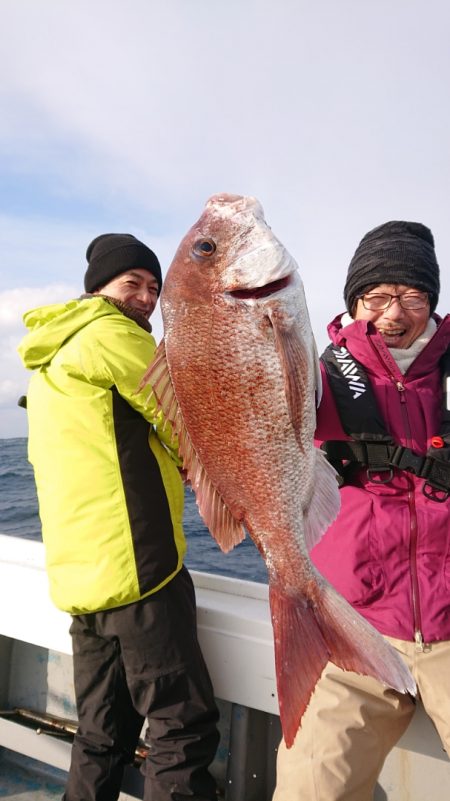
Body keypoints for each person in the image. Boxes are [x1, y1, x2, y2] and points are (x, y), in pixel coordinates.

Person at [18, 233, 219, 801]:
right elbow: (184, 417)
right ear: (99, 288)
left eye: (154, 287)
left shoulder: (53, 355)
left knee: (101, 733)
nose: (147, 298)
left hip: (83, 582)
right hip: (140, 575)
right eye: (133, 283)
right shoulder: (113, 334)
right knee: (182, 727)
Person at [273, 220, 450, 801]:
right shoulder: (313, 377)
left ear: (432, 302)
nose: (393, 314)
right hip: (352, 627)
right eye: (376, 297)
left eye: (412, 297)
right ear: (353, 303)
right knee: (308, 790)